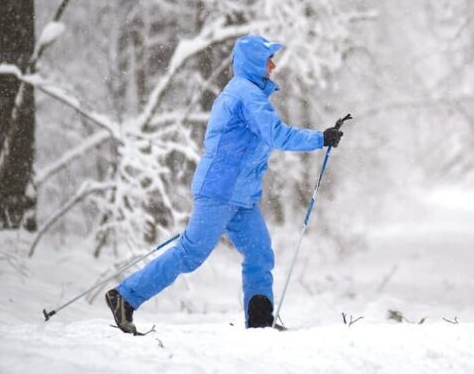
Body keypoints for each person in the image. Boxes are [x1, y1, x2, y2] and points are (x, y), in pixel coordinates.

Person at [105, 35, 344, 333]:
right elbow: (276, 134)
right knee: (190, 254)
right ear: (254, 63)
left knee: (259, 254)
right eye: (268, 58)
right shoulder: (245, 95)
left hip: (241, 197)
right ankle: (125, 297)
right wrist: (320, 138)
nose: (273, 65)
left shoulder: (247, 93)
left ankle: (259, 322)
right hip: (220, 192)